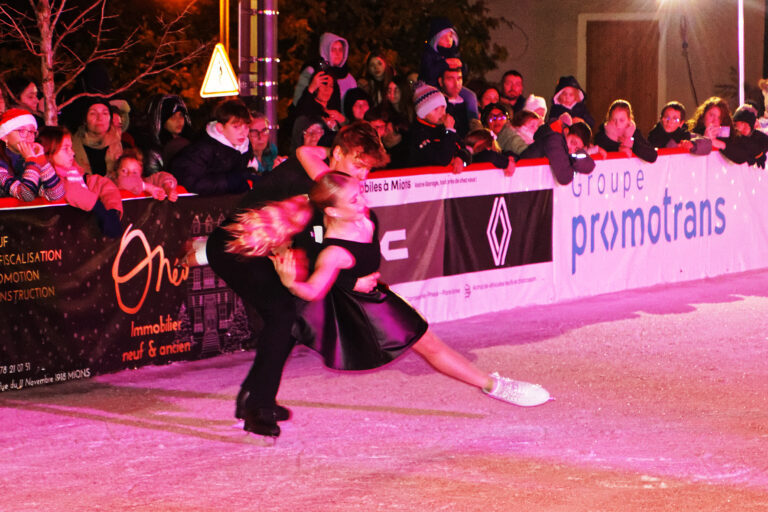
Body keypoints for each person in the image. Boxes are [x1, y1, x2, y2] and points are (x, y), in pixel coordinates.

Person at [251, 172, 549, 421]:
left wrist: (351, 280)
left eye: (362, 193)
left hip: (374, 295)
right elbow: (315, 289)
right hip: (362, 311)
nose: (364, 202)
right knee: (430, 345)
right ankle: (495, 386)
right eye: (354, 200)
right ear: (332, 211)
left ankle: (492, 384)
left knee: (430, 344)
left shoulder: (364, 222)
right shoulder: (334, 252)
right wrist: (292, 283)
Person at [202, 122, 390, 438]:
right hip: (236, 246)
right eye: (358, 166)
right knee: (285, 312)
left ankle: (255, 392)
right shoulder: (315, 184)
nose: (362, 177)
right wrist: (348, 283)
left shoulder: (334, 182)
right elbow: (313, 249)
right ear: (339, 153)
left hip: (269, 249)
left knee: (294, 313)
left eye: (368, 170)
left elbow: (320, 248)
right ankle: (258, 406)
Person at [38, 125, 123, 237]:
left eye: (71, 147)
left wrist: (112, 211)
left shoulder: (76, 174)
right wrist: (99, 210)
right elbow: (67, 188)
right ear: (48, 152)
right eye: (65, 148)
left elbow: (103, 185)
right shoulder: (43, 179)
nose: (72, 153)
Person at [170, 98, 252, 196]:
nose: (243, 132)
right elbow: (190, 181)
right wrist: (228, 182)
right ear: (220, 128)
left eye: (246, 127)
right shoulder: (203, 149)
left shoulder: (244, 148)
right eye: (236, 127)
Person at [0, 108, 64, 202]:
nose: (29, 136)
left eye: (32, 131)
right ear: (4, 136)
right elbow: (26, 195)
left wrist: (42, 160)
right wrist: (31, 161)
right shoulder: (2, 164)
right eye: (22, 131)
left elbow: (56, 195)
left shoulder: (30, 159)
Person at [407, 82, 470, 171]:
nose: (441, 113)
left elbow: (464, 149)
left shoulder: (442, 127)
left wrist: (460, 158)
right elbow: (442, 160)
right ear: (423, 114)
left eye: (443, 108)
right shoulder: (419, 134)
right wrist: (450, 131)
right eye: (435, 109)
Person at [519, 121, 596, 185]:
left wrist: (579, 154)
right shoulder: (554, 140)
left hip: (532, 183)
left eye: (577, 149)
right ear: (566, 131)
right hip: (522, 180)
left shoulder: (562, 141)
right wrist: (574, 167)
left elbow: (590, 166)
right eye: (572, 142)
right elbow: (564, 177)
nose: (571, 151)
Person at [292, 32, 358, 107]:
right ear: (325, 50)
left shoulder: (348, 78)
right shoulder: (313, 71)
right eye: (333, 49)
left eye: (340, 50)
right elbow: (298, 100)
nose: (337, 54)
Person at [143, 94, 194, 175]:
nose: (179, 121)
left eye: (181, 115)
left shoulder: (190, 143)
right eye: (173, 117)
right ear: (162, 120)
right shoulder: (154, 153)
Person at [71, 98, 123, 177]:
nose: (100, 118)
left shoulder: (118, 146)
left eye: (105, 113)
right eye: (93, 113)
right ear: (85, 119)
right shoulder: (71, 145)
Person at [113, 149, 179, 202]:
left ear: (141, 174)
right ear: (116, 172)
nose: (130, 175)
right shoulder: (113, 184)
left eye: (135, 172)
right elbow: (122, 182)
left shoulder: (146, 181)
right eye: (124, 171)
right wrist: (147, 187)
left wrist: (167, 187)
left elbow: (161, 175)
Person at [439, 59, 481, 138]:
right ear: (441, 81)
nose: (456, 84)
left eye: (459, 79)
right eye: (450, 79)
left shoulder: (468, 104)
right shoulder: (437, 107)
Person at [247, 111, 284, 176]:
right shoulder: (244, 161)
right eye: (254, 132)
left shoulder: (272, 153)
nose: (260, 137)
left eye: (264, 131)